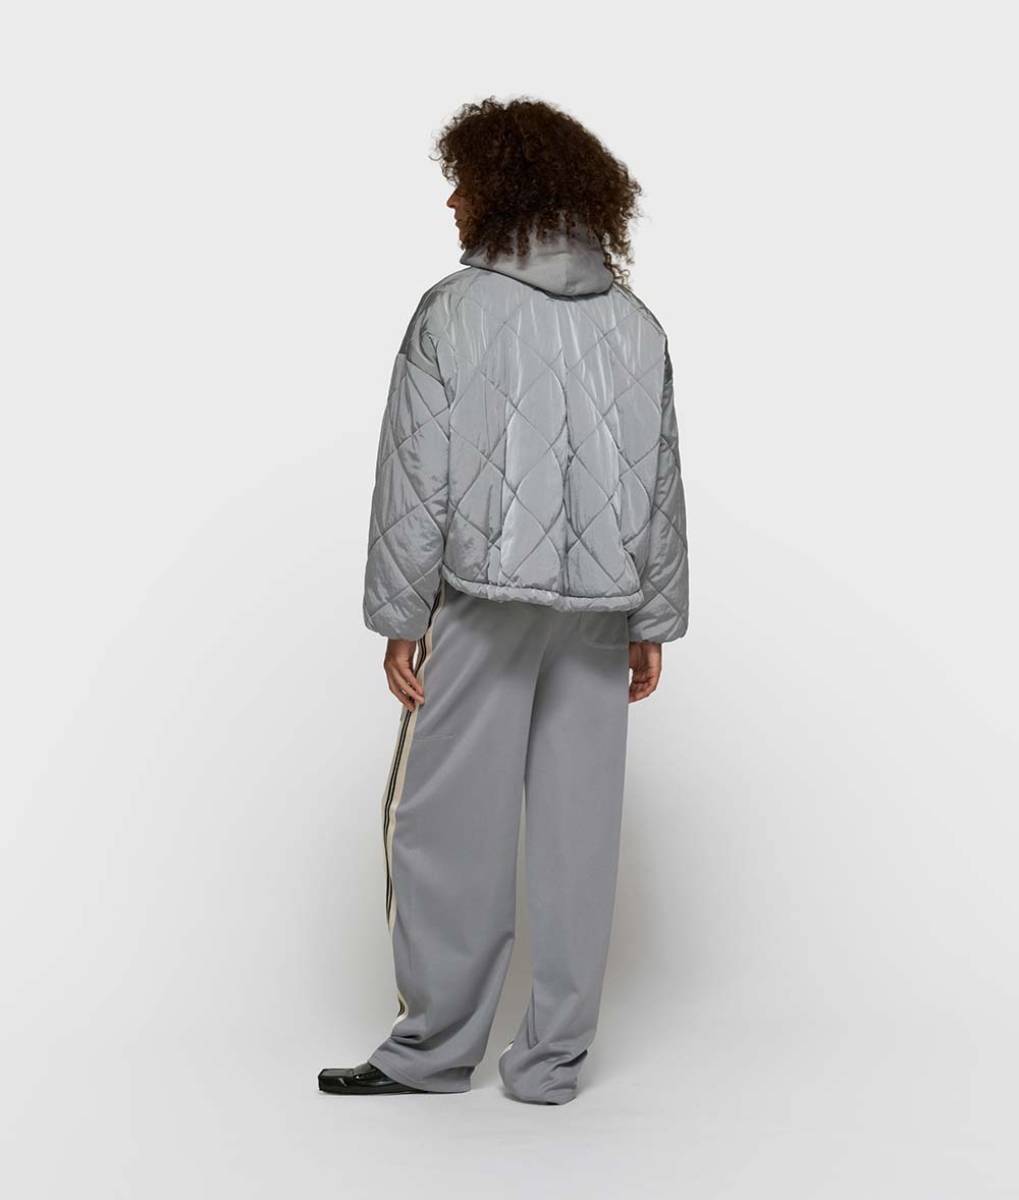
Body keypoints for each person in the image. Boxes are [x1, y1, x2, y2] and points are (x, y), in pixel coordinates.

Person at [319, 97, 689, 1105]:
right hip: (600, 611)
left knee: (443, 823)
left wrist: (402, 616)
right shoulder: (635, 326)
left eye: (463, 181)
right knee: (579, 833)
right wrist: (650, 620)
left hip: (483, 605)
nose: (451, 199)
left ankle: (432, 1051)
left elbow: (416, 478)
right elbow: (660, 483)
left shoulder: (453, 311)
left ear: (503, 189)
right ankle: (551, 1064)